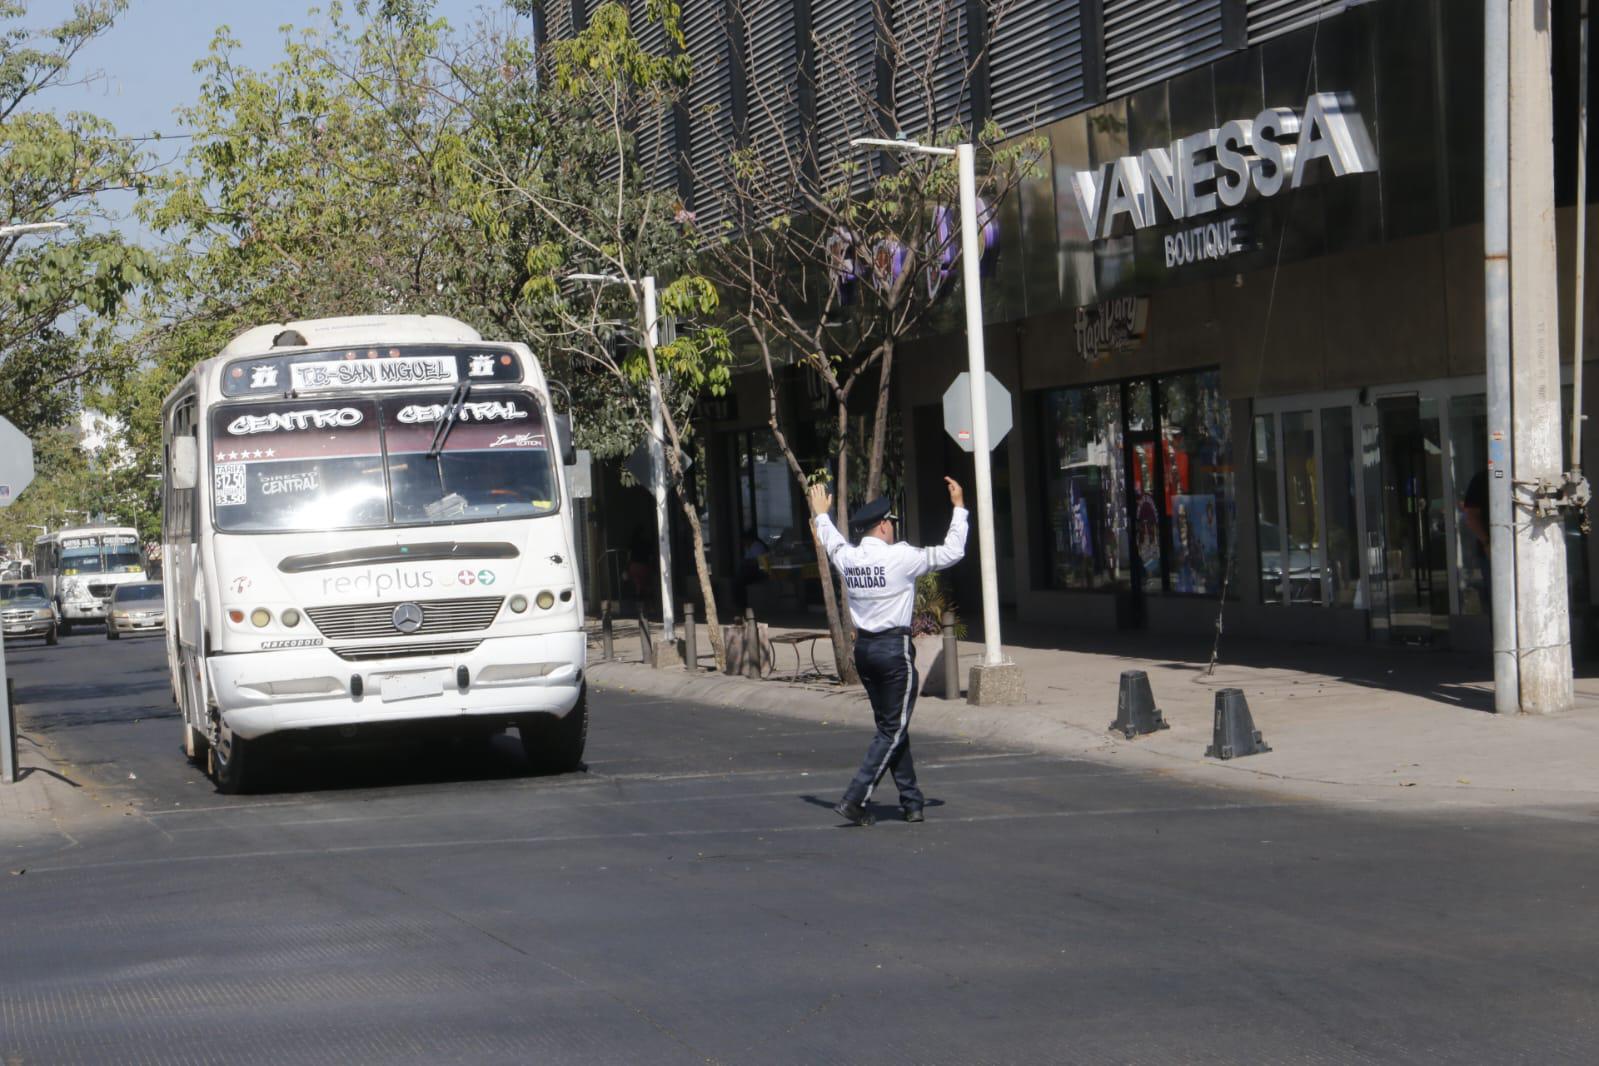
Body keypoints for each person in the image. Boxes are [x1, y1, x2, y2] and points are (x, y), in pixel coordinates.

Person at [809, 477, 968, 826]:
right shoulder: (902, 557)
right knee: (891, 730)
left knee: (893, 727)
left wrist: (821, 515)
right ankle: (855, 798)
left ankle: (912, 802)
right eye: (892, 523)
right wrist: (958, 509)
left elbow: (831, 542)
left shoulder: (849, 558)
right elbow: (952, 552)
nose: (894, 528)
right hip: (894, 653)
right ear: (883, 526)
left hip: (864, 652)